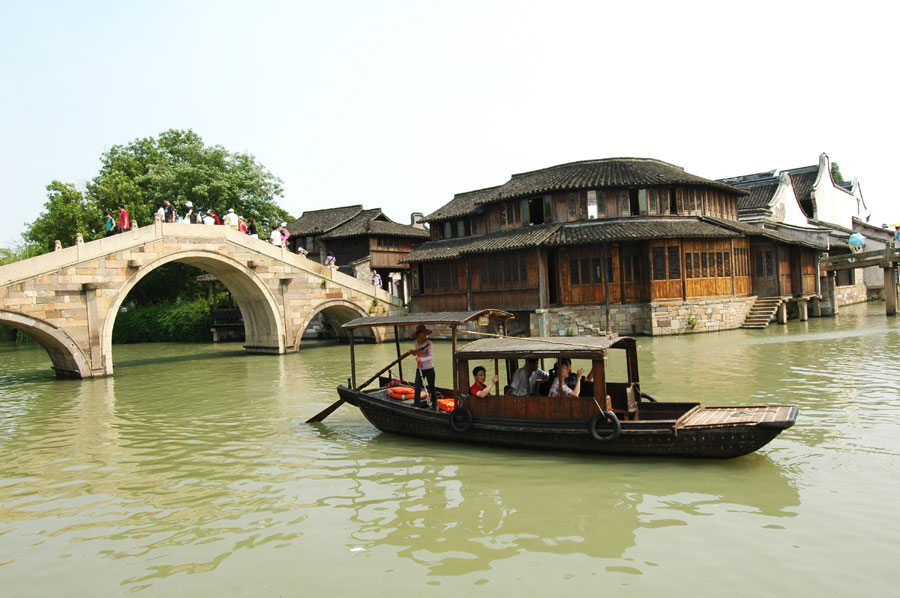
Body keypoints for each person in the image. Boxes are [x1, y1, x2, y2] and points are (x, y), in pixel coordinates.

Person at [408, 324, 436, 409]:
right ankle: (417, 406)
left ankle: (435, 406)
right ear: (418, 334)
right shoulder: (416, 342)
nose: (425, 335)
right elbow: (418, 353)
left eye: (425, 333)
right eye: (423, 333)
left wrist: (421, 359)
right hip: (420, 369)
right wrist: (413, 352)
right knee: (417, 387)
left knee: (431, 388)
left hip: (429, 369)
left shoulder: (429, 343)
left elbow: (431, 356)